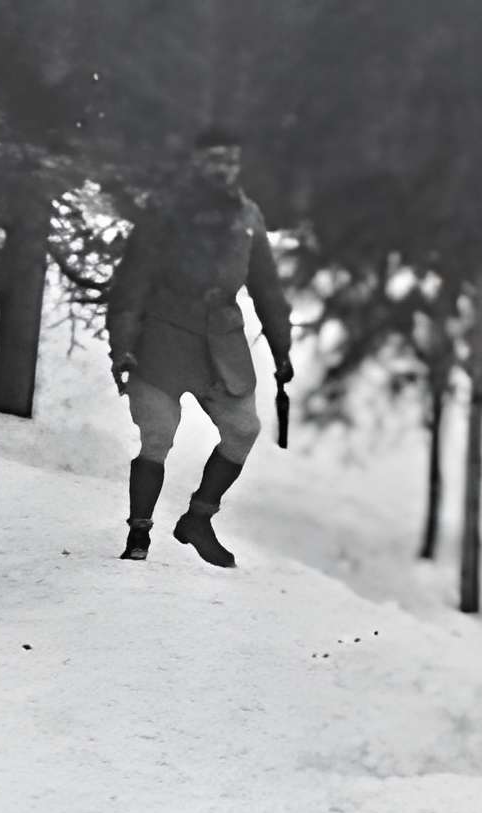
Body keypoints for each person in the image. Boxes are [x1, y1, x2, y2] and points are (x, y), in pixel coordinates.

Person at [105, 126, 293, 570]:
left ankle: (198, 519)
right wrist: (123, 346)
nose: (222, 169)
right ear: (195, 163)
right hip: (163, 340)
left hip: (221, 345)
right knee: (158, 435)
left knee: (243, 429)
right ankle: (138, 533)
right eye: (213, 160)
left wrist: (282, 349)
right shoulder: (165, 212)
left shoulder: (248, 217)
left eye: (229, 160)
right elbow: (131, 284)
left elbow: (266, 286)